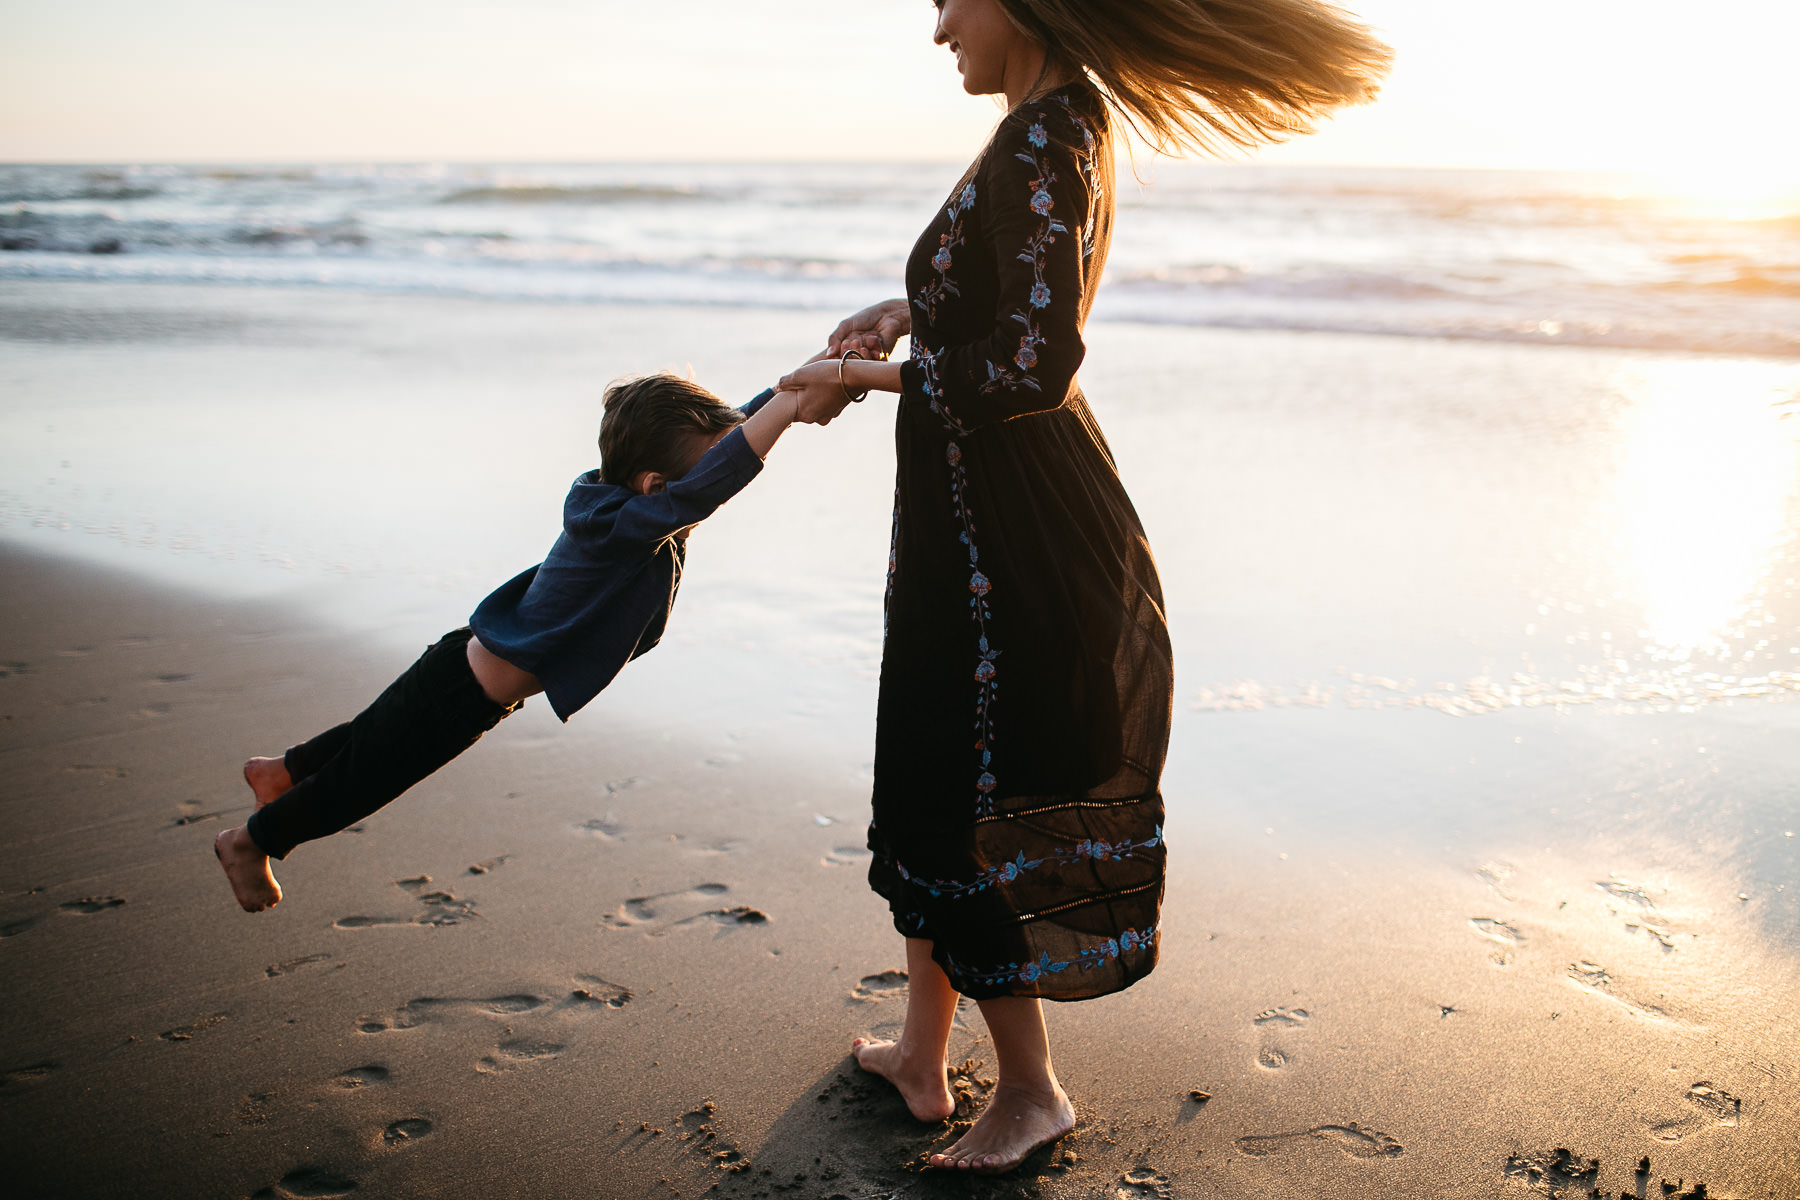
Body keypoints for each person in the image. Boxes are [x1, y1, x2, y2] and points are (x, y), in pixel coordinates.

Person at [773, 0, 1390, 1175]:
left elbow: (1033, 362)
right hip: (972, 517)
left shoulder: (1049, 135)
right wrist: (907, 315)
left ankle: (1030, 1092)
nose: (939, 28)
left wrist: (867, 378)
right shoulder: (1045, 126)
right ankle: (921, 1055)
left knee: (966, 786)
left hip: (1010, 533)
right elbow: (1003, 310)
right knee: (930, 771)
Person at [214, 373, 830, 913]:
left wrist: (801, 383)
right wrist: (788, 408)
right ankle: (251, 842)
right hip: (459, 694)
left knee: (369, 740)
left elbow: (728, 442)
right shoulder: (624, 527)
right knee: (364, 780)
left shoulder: (622, 506)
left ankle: (282, 772)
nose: (716, 474)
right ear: (654, 486)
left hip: (461, 672)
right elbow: (713, 479)